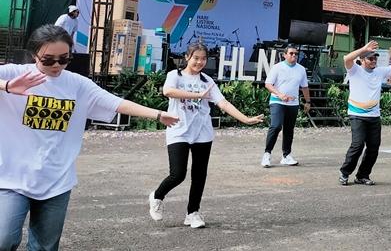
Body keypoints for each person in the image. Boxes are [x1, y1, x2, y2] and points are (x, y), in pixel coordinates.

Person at [0, 25, 180, 251]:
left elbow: (114, 102)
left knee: (45, 247)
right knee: (3, 239)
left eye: (64, 59)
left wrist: (158, 114)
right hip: (11, 178)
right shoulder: (15, 73)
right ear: (34, 55)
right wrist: (6, 87)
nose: (56, 65)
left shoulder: (76, 84)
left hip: (56, 179)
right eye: (48, 60)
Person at [149, 42, 263, 228]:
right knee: (178, 174)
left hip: (202, 132)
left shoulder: (207, 82)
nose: (199, 62)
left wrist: (245, 119)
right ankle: (157, 196)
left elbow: (223, 103)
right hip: (178, 130)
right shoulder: (175, 76)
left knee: (199, 175)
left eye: (203, 59)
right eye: (196, 58)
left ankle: (192, 213)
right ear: (187, 57)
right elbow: (167, 91)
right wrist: (197, 96)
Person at [339, 41, 391, 186]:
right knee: (357, 145)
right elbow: (346, 59)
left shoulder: (380, 72)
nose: (373, 61)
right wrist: (364, 49)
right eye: (370, 58)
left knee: (373, 147)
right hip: (357, 115)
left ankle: (362, 175)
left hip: (374, 116)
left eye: (375, 58)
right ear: (362, 60)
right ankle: (345, 173)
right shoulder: (355, 70)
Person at [260, 45, 311, 167]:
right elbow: (268, 84)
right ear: (284, 55)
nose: (294, 55)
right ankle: (267, 154)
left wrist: (308, 102)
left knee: (289, 129)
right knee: (276, 126)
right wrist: (280, 94)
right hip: (277, 101)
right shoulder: (277, 67)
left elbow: (304, 87)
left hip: (293, 103)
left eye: (296, 54)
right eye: (291, 53)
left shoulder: (301, 69)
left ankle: (286, 156)